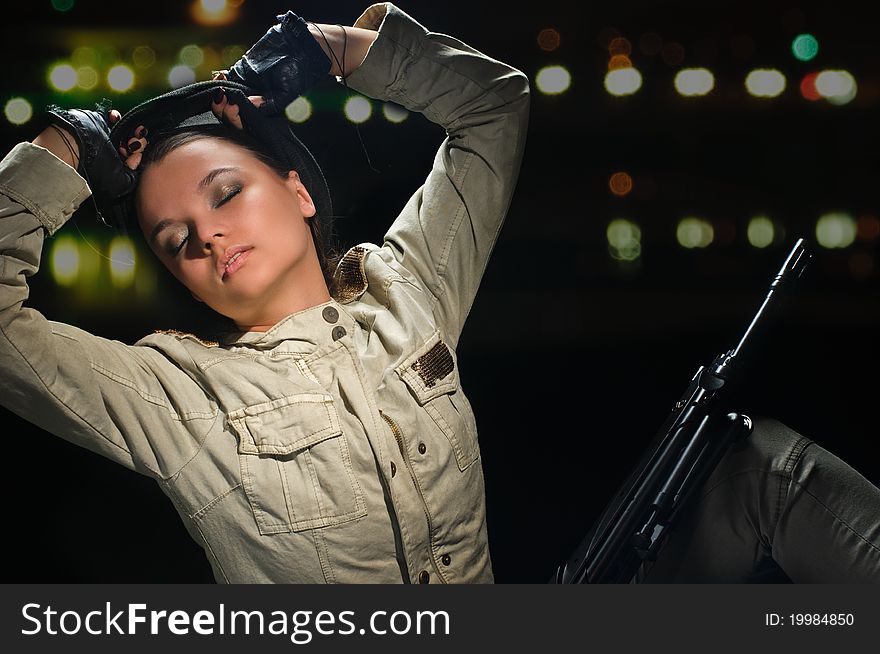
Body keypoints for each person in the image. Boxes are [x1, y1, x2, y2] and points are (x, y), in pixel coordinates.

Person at [1, 4, 878, 585]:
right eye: (173, 238)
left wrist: (338, 49)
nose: (206, 234)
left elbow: (494, 106)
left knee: (766, 471)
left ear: (299, 193)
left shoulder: (404, 293)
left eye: (225, 192)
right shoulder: (175, 397)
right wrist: (58, 155)